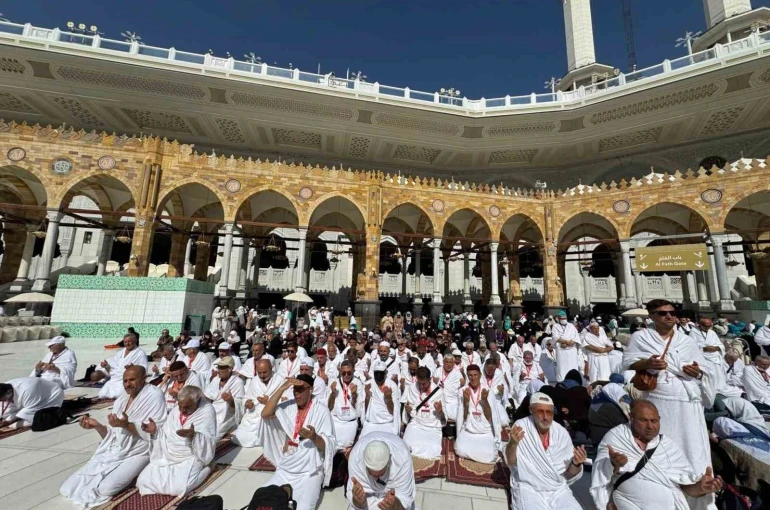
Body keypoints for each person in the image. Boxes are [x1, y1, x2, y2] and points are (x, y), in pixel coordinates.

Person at [622, 299, 716, 510]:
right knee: (663, 446)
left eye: (673, 313)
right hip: (660, 400)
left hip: (687, 401)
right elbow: (628, 363)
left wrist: (697, 372)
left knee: (692, 447)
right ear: (652, 316)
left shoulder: (687, 340)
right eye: (663, 313)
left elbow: (704, 368)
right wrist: (648, 363)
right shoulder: (642, 337)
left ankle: (697, 494)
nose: (669, 316)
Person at [60, 366, 167, 507]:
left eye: (132, 380)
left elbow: (155, 433)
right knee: (66, 489)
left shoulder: (154, 395)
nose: (128, 384)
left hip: (141, 452)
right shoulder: (121, 400)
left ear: (143, 379)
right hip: (116, 450)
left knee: (105, 489)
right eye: (125, 381)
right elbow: (112, 436)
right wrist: (96, 426)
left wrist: (126, 425)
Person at [591, 400, 724, 510]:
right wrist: (613, 464)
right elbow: (600, 473)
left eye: (654, 421)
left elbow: (685, 487)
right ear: (631, 418)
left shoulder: (668, 446)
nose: (650, 426)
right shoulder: (616, 437)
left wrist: (702, 487)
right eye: (644, 420)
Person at [260, 374, 337, 510]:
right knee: (263, 498)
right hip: (286, 468)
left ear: (310, 390)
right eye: (295, 390)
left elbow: (329, 445)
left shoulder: (322, 411)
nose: (297, 394)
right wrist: (282, 388)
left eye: (301, 390)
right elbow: (265, 414)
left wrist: (314, 437)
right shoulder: (289, 406)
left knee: (303, 507)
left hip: (309, 472)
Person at [505, 392, 585, 510]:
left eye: (549, 412)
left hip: (557, 490)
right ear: (531, 410)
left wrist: (576, 463)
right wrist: (512, 444)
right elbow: (511, 462)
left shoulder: (561, 433)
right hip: (529, 487)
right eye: (540, 411)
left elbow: (568, 474)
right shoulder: (521, 426)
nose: (545, 417)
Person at [136, 386, 217, 497]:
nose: (182, 410)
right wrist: (155, 431)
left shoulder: (207, 410)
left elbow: (209, 438)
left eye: (187, 407)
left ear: (197, 401)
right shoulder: (175, 410)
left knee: (179, 488)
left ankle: (208, 468)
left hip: (191, 455)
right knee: (142, 480)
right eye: (180, 406)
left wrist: (193, 436)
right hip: (168, 453)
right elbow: (166, 433)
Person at [347, 432, 416, 510]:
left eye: (380, 474)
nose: (376, 479)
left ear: (389, 460)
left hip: (394, 499)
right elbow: (353, 499)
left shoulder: (402, 457)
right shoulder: (356, 456)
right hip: (368, 499)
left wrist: (395, 505)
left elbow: (405, 499)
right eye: (371, 474)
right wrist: (358, 500)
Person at [232, 359, 281, 448]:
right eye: (259, 373)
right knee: (240, 436)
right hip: (254, 415)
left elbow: (287, 400)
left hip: (272, 414)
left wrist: (269, 402)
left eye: (265, 372)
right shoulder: (254, 381)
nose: (262, 375)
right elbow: (247, 397)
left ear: (271, 368)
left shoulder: (280, 380)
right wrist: (247, 403)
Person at [455, 364, 497, 463]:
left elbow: (490, 417)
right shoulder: (462, 391)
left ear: (480, 375)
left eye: (475, 375)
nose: (473, 378)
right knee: (459, 449)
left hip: (484, 431)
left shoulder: (487, 390)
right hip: (469, 429)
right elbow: (463, 418)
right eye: (470, 375)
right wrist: (465, 402)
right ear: (467, 376)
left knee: (491, 455)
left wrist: (485, 401)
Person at [403, 366, 445, 459]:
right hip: (416, 424)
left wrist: (440, 411)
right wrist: (408, 411)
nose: (421, 386)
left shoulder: (438, 391)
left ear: (430, 379)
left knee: (433, 450)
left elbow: (443, 418)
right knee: (406, 445)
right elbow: (410, 410)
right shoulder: (413, 388)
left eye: (424, 384)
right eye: (419, 383)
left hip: (432, 426)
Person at [92, 333, 149, 399]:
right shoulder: (120, 353)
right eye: (125, 342)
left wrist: (133, 368)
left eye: (129, 342)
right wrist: (106, 366)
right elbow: (112, 370)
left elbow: (143, 369)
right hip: (114, 379)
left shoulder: (140, 353)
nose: (127, 344)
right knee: (102, 394)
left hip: (126, 380)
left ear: (135, 341)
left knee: (119, 395)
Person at [203, 356, 244, 440]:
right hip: (212, 410)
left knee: (214, 435)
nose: (218, 370)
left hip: (227, 413)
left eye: (221, 368)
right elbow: (208, 396)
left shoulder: (238, 382)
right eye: (218, 367)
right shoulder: (215, 380)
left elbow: (240, 404)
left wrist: (231, 400)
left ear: (229, 369)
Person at [0, 377, 64, 429]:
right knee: (5, 415)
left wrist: (9, 421)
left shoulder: (27, 390)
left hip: (50, 397)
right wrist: (7, 419)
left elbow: (29, 409)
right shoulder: (5, 388)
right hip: (30, 399)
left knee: (31, 421)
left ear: (8, 394)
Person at [328, 360, 364, 452]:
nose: (346, 375)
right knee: (332, 446)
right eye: (343, 373)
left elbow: (358, 408)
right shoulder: (334, 383)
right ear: (340, 372)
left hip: (350, 422)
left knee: (346, 447)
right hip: (336, 420)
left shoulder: (358, 383)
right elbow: (329, 407)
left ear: (353, 371)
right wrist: (333, 394)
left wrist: (354, 394)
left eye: (349, 373)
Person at [362, 360, 401, 436]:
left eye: (381, 373)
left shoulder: (392, 385)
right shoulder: (368, 384)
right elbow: (365, 411)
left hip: (387, 422)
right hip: (371, 423)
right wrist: (367, 396)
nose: (379, 375)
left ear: (386, 372)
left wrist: (388, 398)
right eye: (377, 373)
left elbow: (394, 411)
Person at [432, 353, 464, 424]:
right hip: (439, 399)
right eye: (446, 362)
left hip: (452, 400)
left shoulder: (457, 373)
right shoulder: (437, 371)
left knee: (456, 416)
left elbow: (461, 384)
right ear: (443, 362)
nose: (448, 364)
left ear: (453, 363)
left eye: (450, 362)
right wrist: (436, 382)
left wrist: (441, 384)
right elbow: (432, 383)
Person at [552, 311, 582, 382]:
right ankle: (562, 380)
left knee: (572, 365)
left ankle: (574, 379)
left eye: (565, 318)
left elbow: (576, 336)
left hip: (572, 349)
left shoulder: (571, 326)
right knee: (562, 367)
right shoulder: (555, 326)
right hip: (561, 348)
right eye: (562, 318)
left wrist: (571, 342)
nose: (563, 319)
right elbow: (555, 337)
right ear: (558, 318)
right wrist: (565, 342)